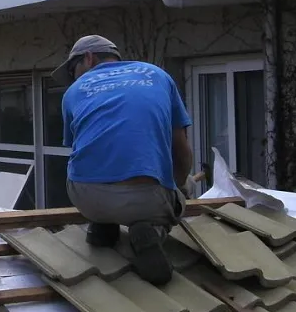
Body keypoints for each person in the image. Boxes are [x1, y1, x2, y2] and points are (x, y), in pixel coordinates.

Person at [53, 35, 193, 285]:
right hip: (145, 199)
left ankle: (103, 224)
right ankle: (152, 230)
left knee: (101, 170)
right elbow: (181, 151)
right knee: (181, 190)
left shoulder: (74, 91)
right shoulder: (157, 75)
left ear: (88, 57)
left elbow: (84, 149)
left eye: (74, 70)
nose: (75, 78)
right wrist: (178, 191)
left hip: (85, 197)